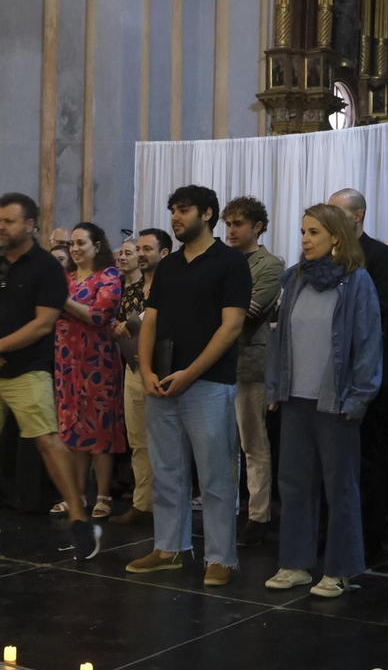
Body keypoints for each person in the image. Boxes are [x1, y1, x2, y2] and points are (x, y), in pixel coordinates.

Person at [0, 192, 100, 559]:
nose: (1, 227)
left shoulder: (46, 268)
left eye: (9, 221)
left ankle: (80, 520)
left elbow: (43, 324)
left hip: (27, 371)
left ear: (30, 224)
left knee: (47, 441)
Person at [127, 185, 251, 586]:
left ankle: (220, 557)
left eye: (183, 210)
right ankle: (169, 548)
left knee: (215, 476)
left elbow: (231, 326)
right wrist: (145, 369)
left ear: (208, 213)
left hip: (208, 383)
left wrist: (191, 373)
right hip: (162, 380)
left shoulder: (230, 262)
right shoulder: (170, 265)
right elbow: (151, 320)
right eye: (173, 211)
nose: (176, 218)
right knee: (166, 471)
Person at [263, 204, 382, 597]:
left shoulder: (357, 280)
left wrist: (360, 397)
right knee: (293, 484)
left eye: (313, 232)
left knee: (339, 486)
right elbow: (279, 339)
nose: (305, 240)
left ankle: (340, 569)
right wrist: (275, 388)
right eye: (302, 232)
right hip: (295, 398)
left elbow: (368, 343)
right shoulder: (295, 279)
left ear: (335, 236)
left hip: (336, 401)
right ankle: (296, 563)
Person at [326, 189, 388, 558]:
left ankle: (371, 530)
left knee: (370, 455)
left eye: (335, 211)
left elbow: (382, 313)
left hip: (366, 371)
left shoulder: (380, 256)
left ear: (357, 216)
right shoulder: (324, 255)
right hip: (328, 373)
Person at [53, 222, 127, 518]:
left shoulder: (108, 276)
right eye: (72, 244)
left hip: (98, 362)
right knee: (73, 429)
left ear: (97, 246)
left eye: (81, 243)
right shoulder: (66, 277)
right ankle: (77, 494)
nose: (75, 249)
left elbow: (98, 316)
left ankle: (104, 494)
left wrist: (64, 302)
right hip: (66, 362)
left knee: (99, 429)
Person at [222, 196, 285, 547]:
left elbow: (250, 310)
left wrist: (214, 304)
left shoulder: (270, 264)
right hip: (217, 364)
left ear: (257, 227)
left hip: (249, 363)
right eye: (228, 224)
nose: (231, 230)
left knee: (253, 443)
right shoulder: (219, 260)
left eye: (238, 224)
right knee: (222, 443)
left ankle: (258, 515)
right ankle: (226, 508)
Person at [110, 228, 171, 526]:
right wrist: (120, 328)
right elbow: (121, 322)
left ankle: (168, 506)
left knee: (166, 442)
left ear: (165, 253)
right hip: (133, 368)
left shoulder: (173, 286)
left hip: (164, 371)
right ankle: (142, 503)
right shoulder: (130, 289)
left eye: (148, 249)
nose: (142, 254)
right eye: (140, 249)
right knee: (138, 440)